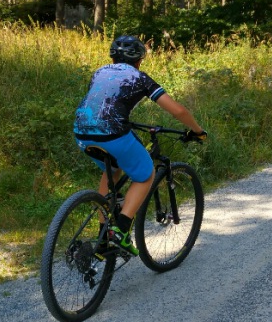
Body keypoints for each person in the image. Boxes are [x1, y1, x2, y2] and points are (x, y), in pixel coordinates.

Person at [74, 36, 207, 255]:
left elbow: (103, 103)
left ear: (113, 57)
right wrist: (197, 131)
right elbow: (178, 111)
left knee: (113, 170)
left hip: (81, 131)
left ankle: (103, 235)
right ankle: (121, 230)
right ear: (139, 60)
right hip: (112, 133)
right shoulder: (139, 78)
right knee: (146, 174)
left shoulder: (99, 72)